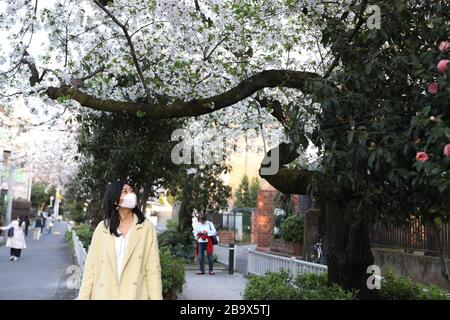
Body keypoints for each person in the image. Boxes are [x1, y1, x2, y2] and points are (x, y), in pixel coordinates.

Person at [77, 180, 162, 300]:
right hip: (105, 295)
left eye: (131, 191)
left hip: (135, 295)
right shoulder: (103, 228)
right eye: (125, 191)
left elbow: (153, 270)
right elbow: (90, 269)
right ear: (115, 199)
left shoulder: (146, 228)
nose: (131, 194)